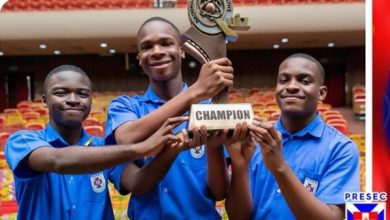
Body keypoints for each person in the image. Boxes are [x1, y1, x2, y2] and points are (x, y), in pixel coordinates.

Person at [5, 65, 191, 219]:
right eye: (61, 93)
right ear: (45, 100)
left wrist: (169, 153)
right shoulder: (22, 141)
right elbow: (57, 160)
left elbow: (138, 184)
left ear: (91, 101)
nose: (73, 100)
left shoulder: (105, 149)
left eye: (82, 94)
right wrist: (140, 148)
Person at [105, 17, 234, 219]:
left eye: (166, 43)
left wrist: (213, 145)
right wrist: (195, 92)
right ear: (139, 57)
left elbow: (219, 192)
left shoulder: (210, 108)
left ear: (182, 51)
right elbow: (126, 138)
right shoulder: (124, 106)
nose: (157, 51)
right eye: (147, 47)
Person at [225, 53, 360, 220]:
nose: (291, 86)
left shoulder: (341, 148)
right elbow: (238, 217)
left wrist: (280, 167)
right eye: (284, 80)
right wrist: (240, 165)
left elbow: (333, 217)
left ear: (322, 93)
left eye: (305, 81)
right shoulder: (255, 140)